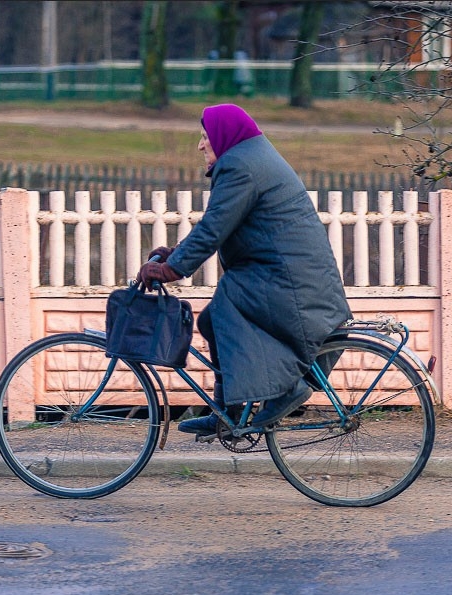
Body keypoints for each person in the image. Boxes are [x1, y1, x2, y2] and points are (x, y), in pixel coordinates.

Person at [137, 103, 351, 434]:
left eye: (205, 136)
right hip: (288, 275)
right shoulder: (249, 158)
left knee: (225, 309)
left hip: (287, 281)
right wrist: (175, 255)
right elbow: (222, 224)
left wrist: (171, 270)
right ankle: (229, 412)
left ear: (222, 136)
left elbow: (213, 229)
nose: (200, 144)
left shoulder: (240, 166)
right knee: (211, 320)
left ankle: (285, 390)